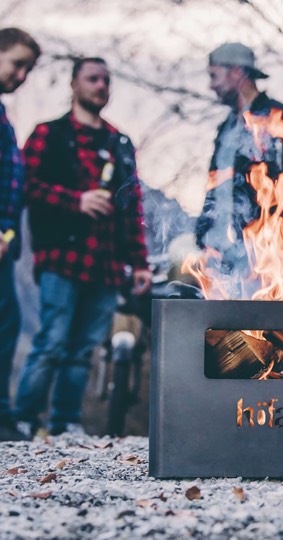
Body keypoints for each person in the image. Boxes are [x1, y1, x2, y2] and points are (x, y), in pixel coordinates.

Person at [15, 57, 152, 437]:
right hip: (61, 257)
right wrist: (75, 200)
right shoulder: (49, 134)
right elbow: (27, 187)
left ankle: (65, 423)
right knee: (52, 342)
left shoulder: (119, 142)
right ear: (74, 84)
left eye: (106, 80)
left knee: (84, 350)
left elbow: (131, 207)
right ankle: (23, 421)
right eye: (92, 79)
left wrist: (139, 263)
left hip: (106, 266)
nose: (100, 86)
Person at [195, 42, 283, 273]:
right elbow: (217, 185)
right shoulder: (226, 127)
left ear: (237, 72)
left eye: (215, 76)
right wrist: (202, 235)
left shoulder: (280, 119)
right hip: (221, 257)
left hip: (263, 255)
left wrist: (269, 239)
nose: (211, 85)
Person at [0, 28, 40, 441]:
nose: (21, 75)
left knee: (7, 322)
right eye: (17, 63)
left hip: (5, 242)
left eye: (27, 68)